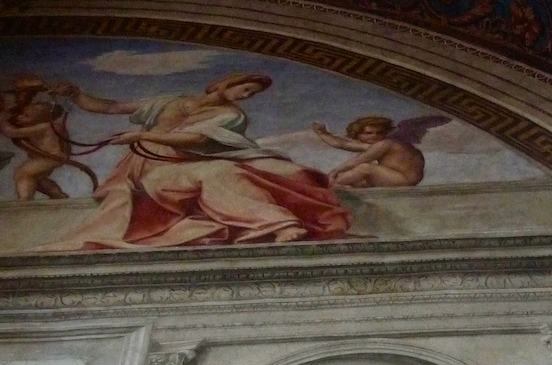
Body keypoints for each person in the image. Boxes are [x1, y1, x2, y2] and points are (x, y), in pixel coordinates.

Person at [41, 73, 351, 251]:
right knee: (215, 173)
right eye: (245, 88)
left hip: (176, 166)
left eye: (252, 94)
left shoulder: (230, 115)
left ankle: (278, 224)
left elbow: (198, 139)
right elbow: (111, 107)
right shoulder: (171, 101)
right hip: (141, 168)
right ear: (227, 82)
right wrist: (75, 94)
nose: (246, 95)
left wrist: (140, 136)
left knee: (221, 171)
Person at [0, 75, 96, 200]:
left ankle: (25, 202)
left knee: (22, 174)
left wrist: (2, 123)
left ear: (42, 118)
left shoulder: (45, 126)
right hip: (48, 156)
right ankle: (58, 195)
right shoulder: (43, 124)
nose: (19, 117)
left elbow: (12, 133)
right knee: (37, 179)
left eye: (26, 116)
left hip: (51, 157)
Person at [311, 114, 448, 188]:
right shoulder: (381, 145)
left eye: (379, 133)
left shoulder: (386, 144)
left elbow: (359, 160)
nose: (374, 136)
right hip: (396, 178)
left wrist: (333, 173)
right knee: (359, 182)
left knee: (365, 168)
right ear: (357, 135)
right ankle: (335, 186)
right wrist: (322, 133)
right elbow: (343, 144)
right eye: (368, 133)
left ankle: (324, 186)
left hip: (403, 180)